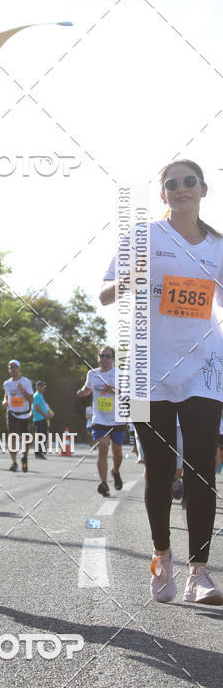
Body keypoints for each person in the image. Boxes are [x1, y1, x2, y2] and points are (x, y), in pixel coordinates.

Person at [100, 159, 223, 605]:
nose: (181, 188)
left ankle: (199, 573)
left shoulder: (217, 247)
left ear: (203, 190)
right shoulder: (143, 237)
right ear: (163, 194)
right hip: (146, 373)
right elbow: (105, 293)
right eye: (172, 184)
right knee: (157, 470)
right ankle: (162, 558)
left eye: (190, 182)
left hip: (204, 371)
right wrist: (134, 279)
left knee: (201, 470)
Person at [76, 346, 125, 496]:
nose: (104, 359)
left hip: (117, 420)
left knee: (117, 453)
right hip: (99, 419)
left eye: (108, 356)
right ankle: (103, 483)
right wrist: (83, 392)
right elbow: (87, 388)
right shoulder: (92, 373)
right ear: (98, 358)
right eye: (101, 356)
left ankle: (115, 471)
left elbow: (127, 393)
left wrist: (114, 391)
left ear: (113, 359)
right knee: (103, 449)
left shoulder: (120, 374)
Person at [2, 359, 33, 472]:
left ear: (19, 368)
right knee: (12, 437)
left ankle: (24, 457)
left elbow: (31, 399)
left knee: (25, 438)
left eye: (15, 367)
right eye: (10, 367)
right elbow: (6, 396)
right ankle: (14, 462)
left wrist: (22, 390)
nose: (13, 369)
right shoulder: (7, 383)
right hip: (11, 413)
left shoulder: (26, 382)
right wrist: (4, 402)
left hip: (24, 414)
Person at [32, 381, 53, 459]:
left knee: (43, 436)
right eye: (42, 386)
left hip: (43, 418)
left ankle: (40, 452)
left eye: (44, 386)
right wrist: (45, 415)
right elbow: (36, 407)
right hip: (39, 419)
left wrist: (47, 414)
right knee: (40, 436)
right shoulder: (36, 395)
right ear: (37, 387)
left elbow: (43, 407)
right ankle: (38, 453)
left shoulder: (40, 395)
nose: (44, 388)